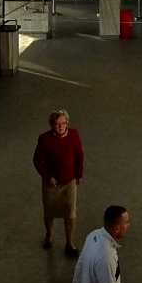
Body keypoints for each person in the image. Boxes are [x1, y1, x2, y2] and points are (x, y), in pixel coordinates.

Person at [33, 109, 86, 256]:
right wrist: (47, 176)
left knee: (70, 211)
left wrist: (79, 174)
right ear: (51, 125)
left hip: (69, 180)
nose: (60, 127)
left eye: (63, 123)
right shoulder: (44, 139)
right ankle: (49, 235)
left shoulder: (74, 134)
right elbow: (38, 160)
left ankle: (69, 241)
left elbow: (79, 155)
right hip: (52, 183)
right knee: (49, 210)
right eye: (57, 124)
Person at [72, 205, 130, 283]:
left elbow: (79, 268)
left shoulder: (93, 235)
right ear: (117, 229)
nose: (128, 225)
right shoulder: (107, 257)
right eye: (126, 222)